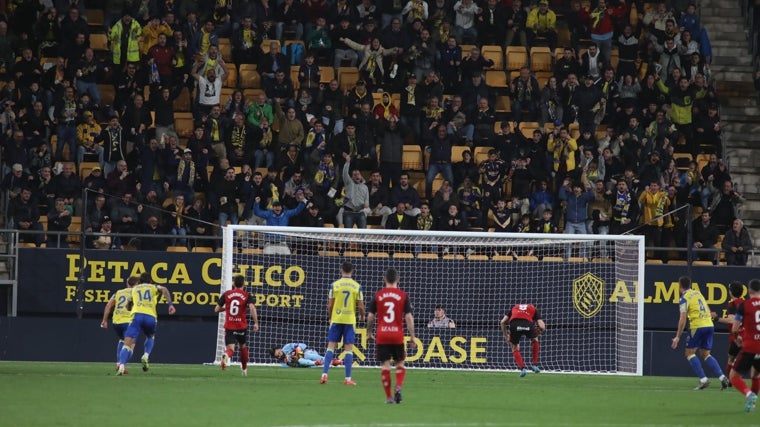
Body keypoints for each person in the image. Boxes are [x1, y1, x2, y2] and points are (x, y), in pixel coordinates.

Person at [366, 267, 416, 404]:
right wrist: (412, 336)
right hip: (397, 335)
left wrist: (368, 333)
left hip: (382, 335)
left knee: (385, 366)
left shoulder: (378, 295)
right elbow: (409, 317)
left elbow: (370, 316)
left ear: (384, 279)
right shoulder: (403, 295)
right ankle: (398, 387)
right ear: (398, 280)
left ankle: (388, 397)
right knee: (400, 364)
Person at [670, 275, 730, 390]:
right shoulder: (698, 293)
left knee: (689, 353)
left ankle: (703, 380)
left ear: (680, 286)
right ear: (690, 285)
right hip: (709, 324)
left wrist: (677, 336)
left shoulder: (684, 298)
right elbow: (707, 308)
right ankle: (722, 378)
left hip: (697, 326)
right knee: (705, 354)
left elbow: (682, 319)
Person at [116, 273, 176, 375]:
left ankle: (121, 366)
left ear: (139, 281)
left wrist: (131, 306)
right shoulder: (153, 287)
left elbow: (128, 306)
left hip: (137, 316)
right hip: (150, 316)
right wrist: (170, 305)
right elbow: (164, 289)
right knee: (150, 336)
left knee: (127, 343)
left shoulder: (134, 289)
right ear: (150, 281)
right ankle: (146, 355)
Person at [320, 262, 365, 385]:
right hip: (349, 320)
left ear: (341, 271)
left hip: (337, 319)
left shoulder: (334, 285)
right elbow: (360, 306)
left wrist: (331, 317)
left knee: (331, 347)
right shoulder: (357, 286)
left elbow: (329, 305)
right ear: (353, 271)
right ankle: (348, 379)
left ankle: (324, 375)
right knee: (349, 349)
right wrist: (362, 316)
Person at [214, 274, 260, 376]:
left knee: (230, 349)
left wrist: (226, 308)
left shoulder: (227, 294)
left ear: (234, 283)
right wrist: (256, 323)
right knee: (243, 347)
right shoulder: (246, 295)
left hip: (229, 326)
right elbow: (252, 308)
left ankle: (226, 355)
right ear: (244, 284)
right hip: (241, 326)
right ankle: (244, 370)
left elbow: (216, 309)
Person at [729, 278, 760, 412]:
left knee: (734, 376)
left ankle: (749, 394)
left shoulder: (744, 305)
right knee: (756, 375)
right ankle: (751, 405)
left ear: (749, 290)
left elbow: (735, 328)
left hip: (750, 346)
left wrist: (737, 338)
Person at [100, 276, 139, 373]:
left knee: (122, 340)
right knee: (131, 345)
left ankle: (119, 363)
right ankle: (122, 364)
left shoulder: (118, 293)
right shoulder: (136, 293)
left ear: (127, 284)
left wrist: (104, 320)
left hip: (116, 322)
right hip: (128, 322)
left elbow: (108, 305)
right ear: (137, 284)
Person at [500, 303, 546, 377]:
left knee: (514, 347)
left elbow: (502, 322)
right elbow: (542, 326)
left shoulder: (514, 307)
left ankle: (522, 369)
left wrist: (506, 336)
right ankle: (534, 364)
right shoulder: (533, 308)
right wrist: (539, 332)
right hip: (528, 323)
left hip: (514, 323)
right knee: (535, 340)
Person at [717, 281, 745, 380]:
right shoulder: (746, 303)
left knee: (731, 358)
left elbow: (732, 320)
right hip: (747, 336)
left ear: (731, 292)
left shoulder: (732, 304)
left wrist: (717, 318)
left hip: (737, 336)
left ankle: (731, 380)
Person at [269, 342, 342, 368]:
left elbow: (302, 345)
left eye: (279, 353)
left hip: (308, 352)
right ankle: (331, 362)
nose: (279, 356)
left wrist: (297, 353)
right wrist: (291, 363)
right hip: (306, 364)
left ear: (279, 349)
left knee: (308, 356)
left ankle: (332, 362)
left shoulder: (287, 347)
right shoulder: (283, 363)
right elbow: (298, 367)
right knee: (300, 360)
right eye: (277, 356)